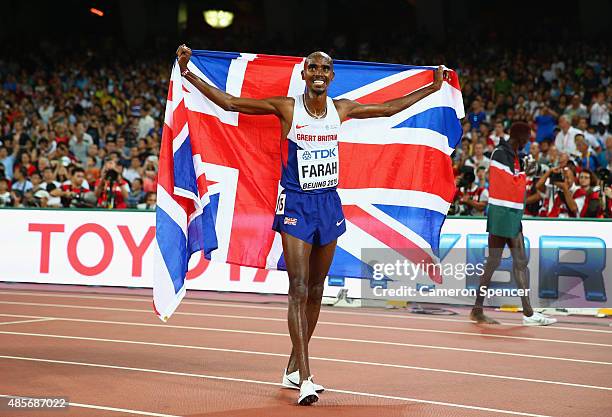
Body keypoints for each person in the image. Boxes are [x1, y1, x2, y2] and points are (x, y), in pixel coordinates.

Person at [176, 44, 448, 405]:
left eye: (325, 68)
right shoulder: (287, 107)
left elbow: (388, 108)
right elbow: (229, 102)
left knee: (318, 289)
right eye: (313, 68)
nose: (319, 73)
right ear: (304, 74)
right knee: (299, 287)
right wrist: (188, 73)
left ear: (331, 76)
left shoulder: (342, 109)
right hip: (296, 204)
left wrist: (433, 87)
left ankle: (292, 366)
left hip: (328, 203)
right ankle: (305, 377)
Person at [470, 122, 556, 326]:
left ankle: (480, 309)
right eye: (527, 140)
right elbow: (509, 185)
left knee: (508, 262)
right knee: (511, 262)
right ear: (520, 138)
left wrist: (527, 170)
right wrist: (526, 172)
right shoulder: (500, 153)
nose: (528, 144)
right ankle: (526, 313)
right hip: (503, 213)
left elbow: (522, 177)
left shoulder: (515, 155)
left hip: (509, 214)